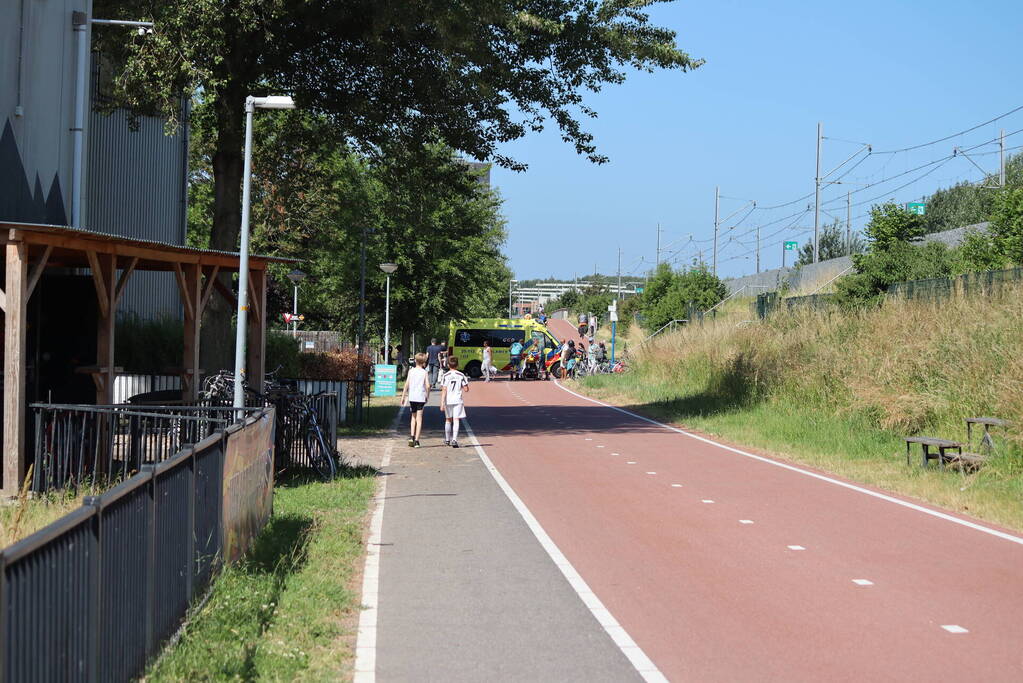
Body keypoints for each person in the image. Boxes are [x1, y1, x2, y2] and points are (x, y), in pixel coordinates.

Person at [400, 352, 430, 448]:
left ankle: (411, 437)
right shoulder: (424, 372)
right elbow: (428, 386)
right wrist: (427, 395)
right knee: (419, 419)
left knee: (413, 417)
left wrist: (403, 396)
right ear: (424, 362)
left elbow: (407, 384)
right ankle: (417, 441)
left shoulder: (411, 371)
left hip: (412, 397)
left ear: (415, 361)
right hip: (421, 397)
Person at [440, 355, 469, 448]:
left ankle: (447, 439)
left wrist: (442, 403)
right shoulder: (461, 375)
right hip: (458, 400)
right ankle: (454, 440)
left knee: (448, 419)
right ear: (457, 365)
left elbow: (444, 389)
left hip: (448, 400)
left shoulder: (445, 375)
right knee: (456, 420)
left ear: (448, 365)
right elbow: (466, 389)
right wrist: (462, 386)